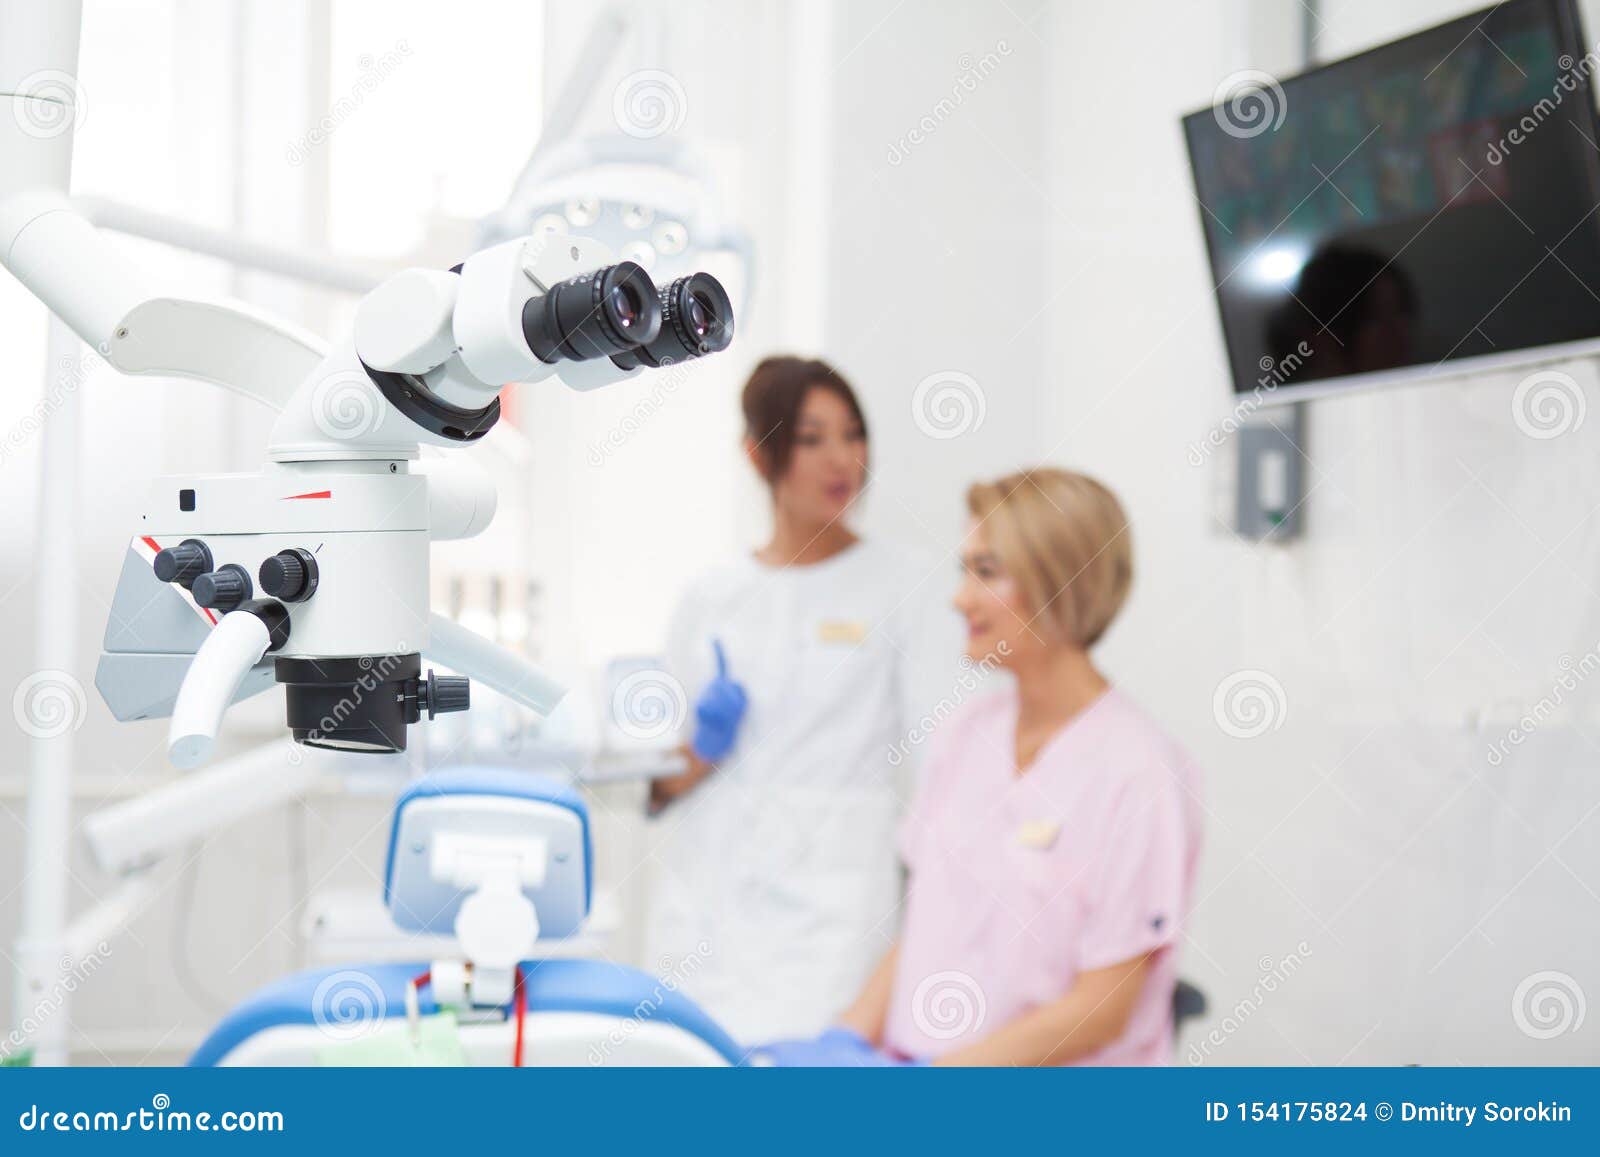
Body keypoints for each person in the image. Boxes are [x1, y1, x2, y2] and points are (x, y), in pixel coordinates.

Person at [759, 467, 1203, 1065]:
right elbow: (926, 926)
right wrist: (845, 1039)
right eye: (964, 570)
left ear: (1059, 582)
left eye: (986, 572)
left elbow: (1101, 1010)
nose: (959, 597)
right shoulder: (966, 735)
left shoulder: (1140, 773)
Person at [643, 355, 957, 1045]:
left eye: (853, 433)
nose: (842, 458)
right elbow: (659, 780)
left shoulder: (906, 585)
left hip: (836, 908)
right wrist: (704, 748)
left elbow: (945, 761)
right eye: (812, 438)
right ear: (759, 455)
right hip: (711, 899)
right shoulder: (712, 595)